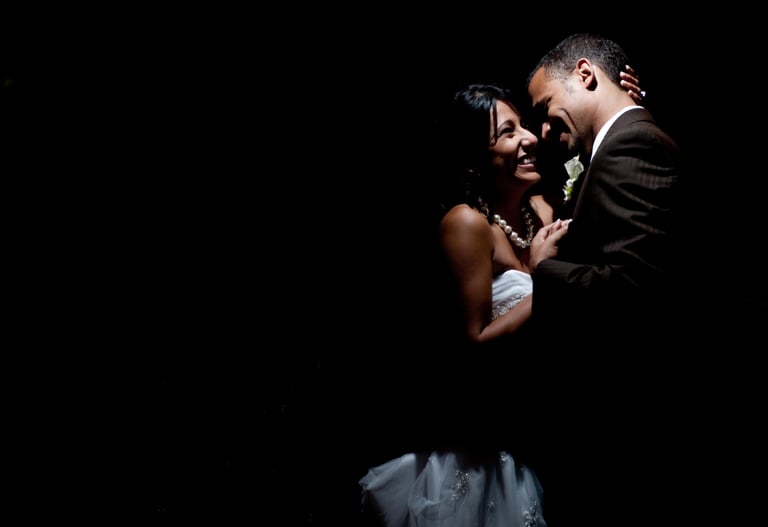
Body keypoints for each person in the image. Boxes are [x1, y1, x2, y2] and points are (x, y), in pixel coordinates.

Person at [358, 72, 645, 527]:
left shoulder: (545, 208)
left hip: (556, 426)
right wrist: (545, 277)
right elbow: (472, 347)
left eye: (523, 125)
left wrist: (621, 104)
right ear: (474, 159)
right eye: (508, 132)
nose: (529, 138)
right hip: (488, 442)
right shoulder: (466, 225)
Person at [524, 33, 685, 527]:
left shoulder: (631, 143)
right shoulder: (621, 142)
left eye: (545, 107)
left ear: (585, 74)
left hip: (629, 417)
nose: (543, 131)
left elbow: (632, 287)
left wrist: (544, 268)